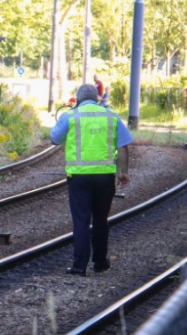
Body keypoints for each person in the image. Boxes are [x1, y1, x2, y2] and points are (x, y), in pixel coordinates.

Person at [49, 83, 132, 276]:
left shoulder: (71, 116)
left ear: (77, 99)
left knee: (81, 221)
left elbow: (54, 138)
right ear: (97, 99)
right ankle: (100, 262)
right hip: (105, 177)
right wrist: (123, 172)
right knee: (101, 219)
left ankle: (79, 266)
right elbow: (123, 146)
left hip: (79, 178)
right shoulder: (111, 116)